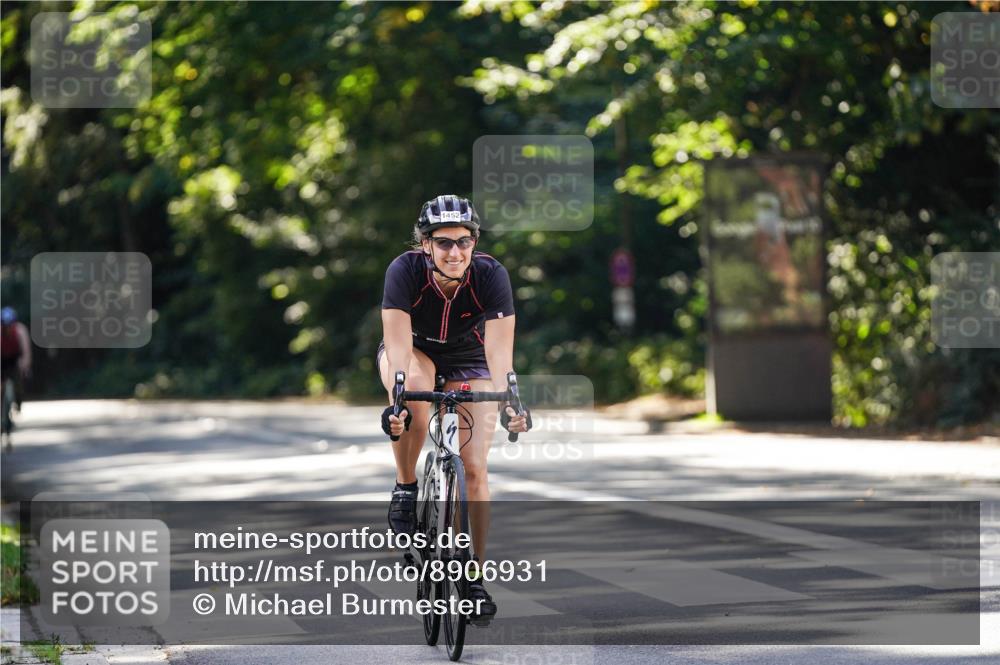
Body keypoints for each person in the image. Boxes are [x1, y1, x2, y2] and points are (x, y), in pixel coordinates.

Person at [377, 195, 531, 622]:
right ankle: (406, 487)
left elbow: (500, 354)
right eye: (443, 243)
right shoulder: (404, 270)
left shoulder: (490, 274)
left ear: (474, 242)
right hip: (414, 352)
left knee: (476, 468)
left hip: (469, 358)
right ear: (425, 244)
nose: (454, 252)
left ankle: (473, 580)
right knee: (418, 398)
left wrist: (510, 403)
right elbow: (398, 343)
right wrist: (400, 398)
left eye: (464, 242)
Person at [1, 306, 32, 417]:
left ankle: (18, 401)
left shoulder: (20, 330)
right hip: (2, 358)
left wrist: (25, 364)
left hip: (15, 358)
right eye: (4, 325)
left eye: (10, 325)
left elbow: (26, 350)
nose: (7, 328)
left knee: (18, 380)